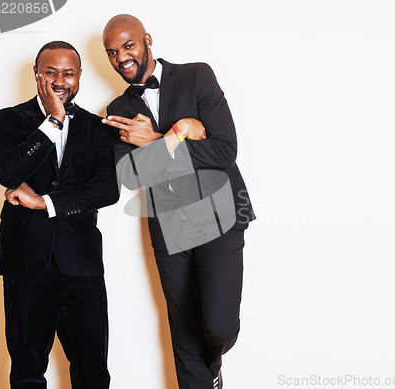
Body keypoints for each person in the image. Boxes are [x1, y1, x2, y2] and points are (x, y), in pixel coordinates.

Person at [102, 14, 255, 389]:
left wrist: (152, 142)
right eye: (111, 52)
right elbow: (130, 176)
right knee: (183, 334)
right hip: (169, 228)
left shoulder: (196, 76)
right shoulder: (118, 111)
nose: (121, 57)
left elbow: (224, 150)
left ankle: (213, 362)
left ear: (147, 40)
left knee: (218, 326)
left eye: (128, 45)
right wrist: (177, 134)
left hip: (220, 216)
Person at [0, 41, 119, 389]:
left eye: (68, 73)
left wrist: (43, 202)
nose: (60, 80)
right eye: (50, 72)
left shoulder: (97, 128)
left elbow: (108, 189)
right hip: (26, 262)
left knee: (92, 372)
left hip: (82, 263)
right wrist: (53, 122)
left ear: (79, 77)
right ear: (36, 74)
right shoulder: (8, 119)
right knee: (27, 372)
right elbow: (5, 169)